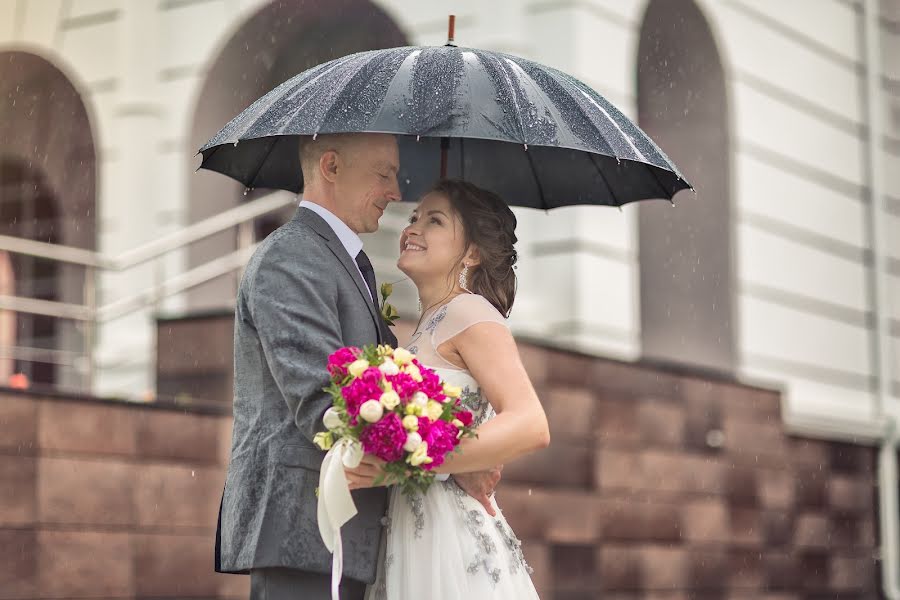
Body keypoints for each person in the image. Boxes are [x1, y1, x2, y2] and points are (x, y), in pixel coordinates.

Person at [214, 134, 502, 600]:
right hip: (304, 531)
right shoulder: (292, 257)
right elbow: (328, 402)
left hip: (344, 534)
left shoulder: (345, 262)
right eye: (384, 174)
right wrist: (449, 460)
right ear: (331, 166)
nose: (395, 190)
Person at [348, 179, 550, 599]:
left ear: (472, 252)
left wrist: (409, 465)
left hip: (450, 542)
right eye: (414, 217)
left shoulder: (469, 311)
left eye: (434, 220)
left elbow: (530, 423)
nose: (413, 228)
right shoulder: (430, 322)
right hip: (412, 531)